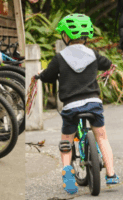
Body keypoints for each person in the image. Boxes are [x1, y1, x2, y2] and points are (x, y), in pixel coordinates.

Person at [37, 13, 120, 194]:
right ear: (87, 36)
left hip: (71, 107)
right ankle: (111, 174)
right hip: (93, 104)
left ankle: (68, 177)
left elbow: (48, 77)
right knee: (102, 137)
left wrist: (40, 75)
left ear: (65, 36)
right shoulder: (93, 54)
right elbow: (107, 64)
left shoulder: (59, 58)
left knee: (66, 140)